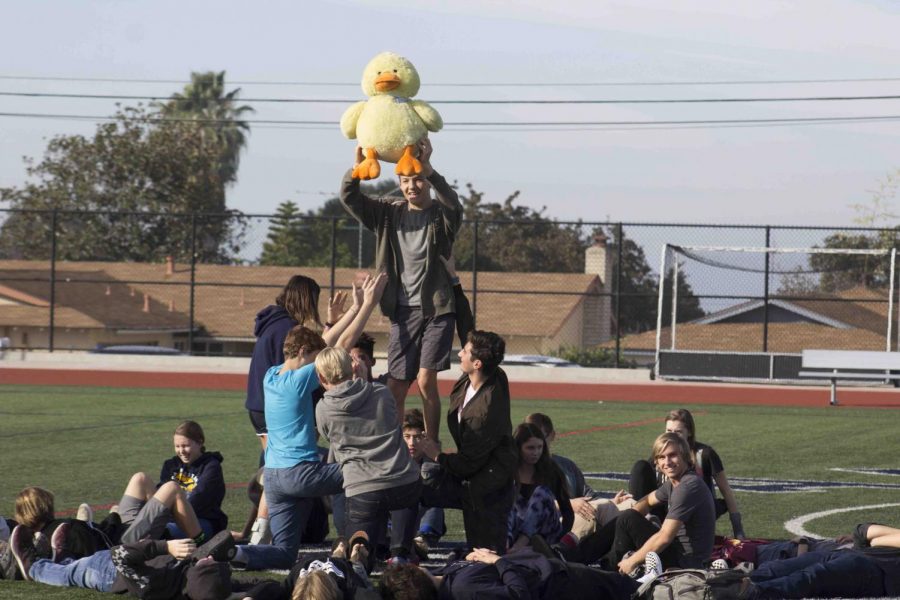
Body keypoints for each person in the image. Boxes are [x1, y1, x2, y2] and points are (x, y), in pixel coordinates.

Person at [231, 273, 387, 571]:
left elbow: (327, 342)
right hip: (300, 473)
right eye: (315, 355)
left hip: (274, 479)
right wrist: (368, 304)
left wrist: (351, 311)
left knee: (285, 552)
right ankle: (346, 539)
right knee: (356, 474)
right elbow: (340, 344)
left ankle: (237, 555)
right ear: (303, 354)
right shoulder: (299, 381)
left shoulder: (271, 376)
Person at [340, 137, 463, 441]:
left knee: (424, 380)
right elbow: (349, 198)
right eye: (406, 180)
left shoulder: (440, 216)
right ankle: (395, 446)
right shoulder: (386, 213)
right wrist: (356, 171)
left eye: (418, 179)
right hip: (401, 310)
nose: (412, 186)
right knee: (395, 385)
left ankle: (432, 446)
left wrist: (431, 170)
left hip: (437, 308)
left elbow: (453, 203)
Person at [242, 274, 344, 544]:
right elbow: (307, 364)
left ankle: (257, 531)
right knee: (276, 471)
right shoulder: (285, 328)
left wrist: (332, 322)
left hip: (259, 405)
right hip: (270, 410)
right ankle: (261, 532)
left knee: (273, 469)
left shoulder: (271, 323)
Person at [315, 346, 422, 569]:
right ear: (352, 367)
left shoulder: (324, 408)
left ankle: (362, 553)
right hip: (403, 480)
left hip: (362, 487)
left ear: (321, 377)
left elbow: (328, 436)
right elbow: (391, 418)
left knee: (360, 556)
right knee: (409, 495)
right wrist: (363, 379)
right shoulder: (381, 392)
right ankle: (401, 552)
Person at [415, 330, 518, 554]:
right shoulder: (486, 375)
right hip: (477, 476)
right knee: (413, 488)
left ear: (478, 363)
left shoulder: (483, 413)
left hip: (489, 484)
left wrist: (436, 455)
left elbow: (467, 464)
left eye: (466, 351)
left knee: (486, 553)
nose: (460, 352)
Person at [10, 523, 247, 599]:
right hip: (114, 563)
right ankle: (63, 558)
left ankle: (34, 566)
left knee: (68, 575)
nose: (207, 557)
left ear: (196, 572)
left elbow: (120, 556)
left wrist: (165, 546)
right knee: (71, 566)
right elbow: (252, 583)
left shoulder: (156, 583)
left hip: (107, 572)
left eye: (206, 563)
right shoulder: (203, 587)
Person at [629, 408, 745, 539]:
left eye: (678, 432)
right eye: (669, 431)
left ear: (689, 432)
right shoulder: (662, 454)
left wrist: (738, 529)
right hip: (666, 505)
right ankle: (644, 521)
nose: (672, 435)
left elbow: (726, 490)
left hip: (694, 508)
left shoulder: (704, 454)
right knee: (640, 467)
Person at [615, 432, 716, 574]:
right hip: (679, 554)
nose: (667, 462)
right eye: (661, 457)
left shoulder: (687, 486)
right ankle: (611, 565)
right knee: (628, 518)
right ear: (656, 461)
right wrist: (635, 516)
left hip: (687, 562)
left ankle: (612, 572)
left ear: (685, 456)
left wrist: (631, 562)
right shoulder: (674, 483)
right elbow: (647, 501)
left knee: (627, 520)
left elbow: (664, 537)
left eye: (672, 455)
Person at [524, 412, 632, 540]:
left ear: (552, 436)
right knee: (599, 510)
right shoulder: (522, 469)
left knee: (629, 504)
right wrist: (569, 504)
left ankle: (648, 540)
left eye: (540, 438)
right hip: (553, 525)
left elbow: (588, 495)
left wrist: (614, 501)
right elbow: (524, 506)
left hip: (580, 515)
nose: (536, 447)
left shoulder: (566, 465)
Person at [378, 548, 639, 600]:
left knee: (621, 585)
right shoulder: (463, 591)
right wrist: (499, 562)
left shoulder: (444, 578)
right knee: (629, 590)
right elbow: (518, 594)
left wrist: (465, 557)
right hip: (557, 583)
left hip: (551, 570)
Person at [150, 420, 227, 539]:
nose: (181, 451)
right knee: (141, 480)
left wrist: (165, 517)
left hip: (202, 523)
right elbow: (159, 496)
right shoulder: (170, 465)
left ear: (200, 442)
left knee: (160, 532)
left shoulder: (211, 467)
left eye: (185, 446)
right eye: (177, 446)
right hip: (171, 520)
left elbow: (197, 500)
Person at [507, 422, 574, 553]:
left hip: (546, 534)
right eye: (530, 448)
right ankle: (506, 545)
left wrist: (561, 541)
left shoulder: (550, 470)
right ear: (518, 448)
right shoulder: (509, 471)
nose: (536, 452)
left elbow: (568, 513)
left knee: (541, 493)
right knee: (508, 497)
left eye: (540, 447)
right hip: (516, 529)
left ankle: (522, 543)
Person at [393, 409, 446, 558]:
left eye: (417, 437)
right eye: (407, 436)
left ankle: (423, 538)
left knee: (432, 492)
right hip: (396, 519)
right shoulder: (394, 460)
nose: (412, 443)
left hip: (423, 521)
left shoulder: (432, 461)